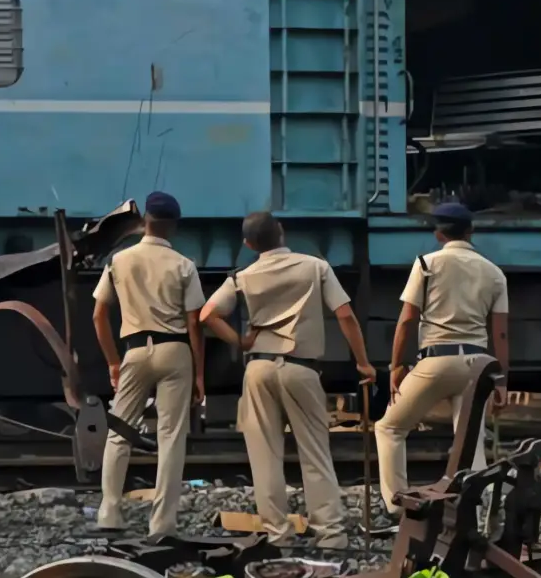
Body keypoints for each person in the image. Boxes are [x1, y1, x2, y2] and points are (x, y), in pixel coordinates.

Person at [199, 212, 375, 550]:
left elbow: (208, 315)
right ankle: (331, 536)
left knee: (265, 456)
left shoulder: (243, 275)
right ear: (281, 231)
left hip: (258, 368)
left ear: (248, 244)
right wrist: (364, 363)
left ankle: (279, 535)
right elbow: (346, 316)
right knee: (315, 453)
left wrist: (240, 341)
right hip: (300, 367)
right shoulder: (315, 267)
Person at [375, 202, 510, 513]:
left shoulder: (426, 265)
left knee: (390, 428)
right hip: (478, 366)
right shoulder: (494, 273)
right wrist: (502, 381)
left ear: (438, 233)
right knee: (470, 443)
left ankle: (399, 507)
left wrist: (396, 366)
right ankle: (474, 515)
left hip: (436, 360)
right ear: (471, 231)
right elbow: (501, 334)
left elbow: (407, 320)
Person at [92, 191, 205, 537]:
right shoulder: (184, 265)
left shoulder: (119, 261)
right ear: (173, 226)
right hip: (175, 351)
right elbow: (194, 324)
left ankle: (109, 513)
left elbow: (98, 315)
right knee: (171, 437)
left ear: (145, 223)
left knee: (120, 431)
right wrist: (200, 374)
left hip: (135, 350)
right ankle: (163, 523)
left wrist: (113, 362)